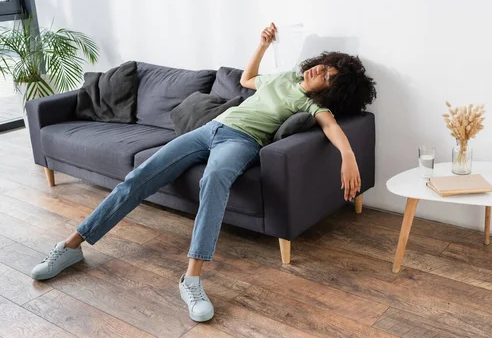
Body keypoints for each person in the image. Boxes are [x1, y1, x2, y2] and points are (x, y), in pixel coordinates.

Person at [30, 22, 377, 322]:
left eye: (328, 77)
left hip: (241, 142)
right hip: (208, 129)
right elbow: (247, 79)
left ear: (331, 90)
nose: (319, 71)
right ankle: (73, 244)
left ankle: (192, 279)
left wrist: (348, 157)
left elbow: (331, 128)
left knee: (214, 181)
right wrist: (262, 44)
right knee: (138, 178)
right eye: (324, 66)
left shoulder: (309, 104)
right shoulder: (285, 77)